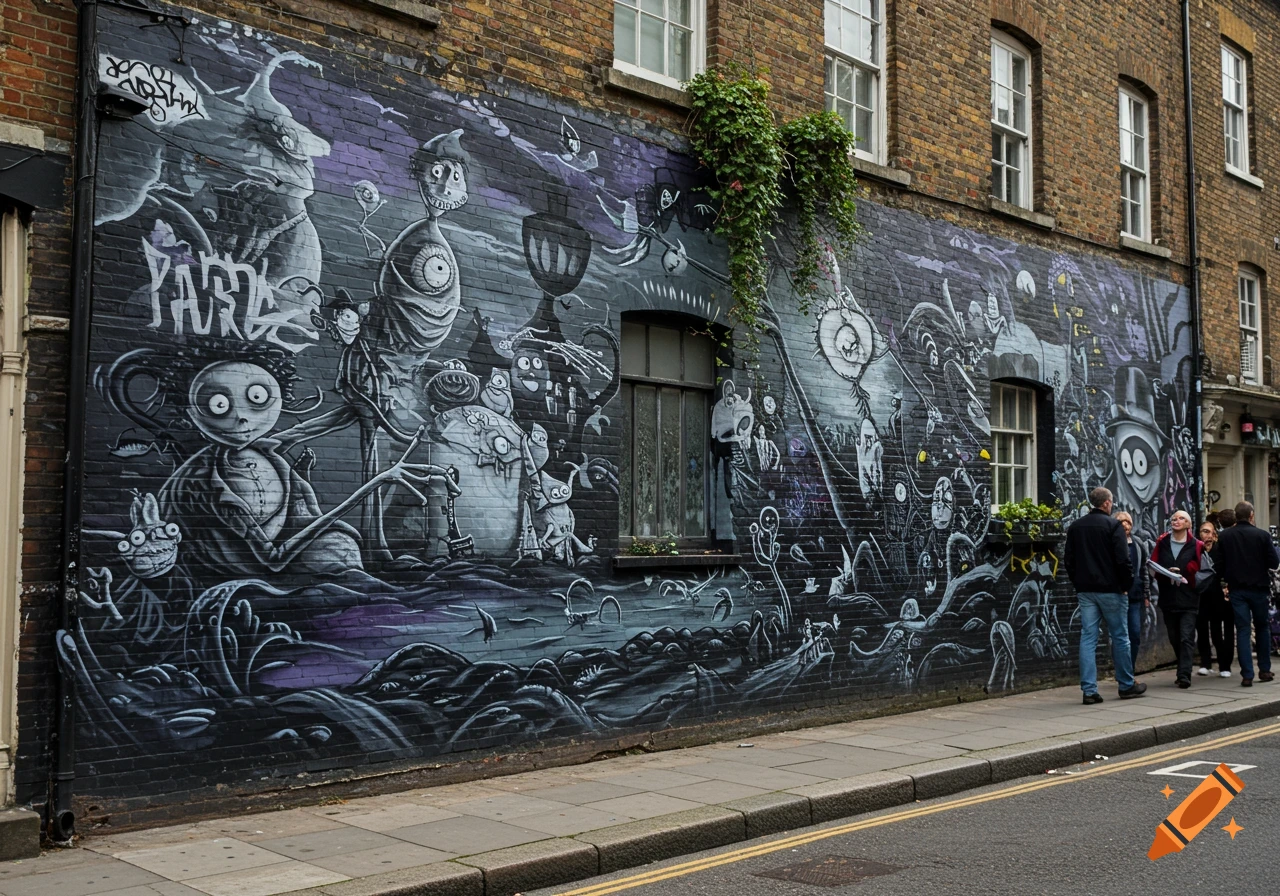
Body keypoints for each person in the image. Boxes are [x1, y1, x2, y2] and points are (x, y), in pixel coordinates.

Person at [1064, 487, 1145, 703]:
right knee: (1120, 637)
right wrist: (1126, 585)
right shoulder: (1113, 526)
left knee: (1088, 638)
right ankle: (1126, 685)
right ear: (1107, 503)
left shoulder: (1076, 526)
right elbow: (1123, 560)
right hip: (1112, 590)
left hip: (1086, 591)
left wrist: (1078, 583)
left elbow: (1069, 561)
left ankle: (1089, 691)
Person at [1215, 500, 1280, 686]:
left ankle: (1247, 674)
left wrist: (1224, 583)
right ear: (1251, 515)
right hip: (1259, 589)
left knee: (1243, 630)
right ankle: (1265, 670)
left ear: (1236, 516)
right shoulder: (1262, 535)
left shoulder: (1225, 536)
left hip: (1237, 590)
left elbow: (1218, 565)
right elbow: (1274, 563)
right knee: (1262, 628)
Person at [1150, 510, 1202, 688]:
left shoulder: (1196, 545)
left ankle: (1184, 675)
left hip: (1189, 598)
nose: (1176, 520)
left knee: (1186, 637)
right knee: (1174, 637)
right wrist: (1166, 572)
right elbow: (1153, 566)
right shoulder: (1162, 542)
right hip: (1168, 598)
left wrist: (1188, 570)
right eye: (1174, 518)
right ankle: (1183, 664)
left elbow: (1202, 569)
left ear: (1188, 524)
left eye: (1181, 518)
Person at [1196, 520, 1234, 678]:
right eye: (1204, 531)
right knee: (1202, 629)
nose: (1207, 535)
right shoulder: (1196, 550)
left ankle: (1224, 665)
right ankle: (1205, 663)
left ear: (1215, 535)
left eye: (1209, 532)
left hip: (1219, 596)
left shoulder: (1220, 551)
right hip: (1201, 595)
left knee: (1217, 630)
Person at [1113, 510, 1148, 669]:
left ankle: (1130, 668)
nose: (1125, 525)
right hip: (1117, 596)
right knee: (1120, 635)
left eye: (1128, 522)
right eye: (1121, 522)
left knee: (1134, 633)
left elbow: (1144, 570)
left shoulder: (1138, 543)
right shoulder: (1111, 543)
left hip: (1135, 596)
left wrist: (1146, 593)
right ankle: (1121, 669)